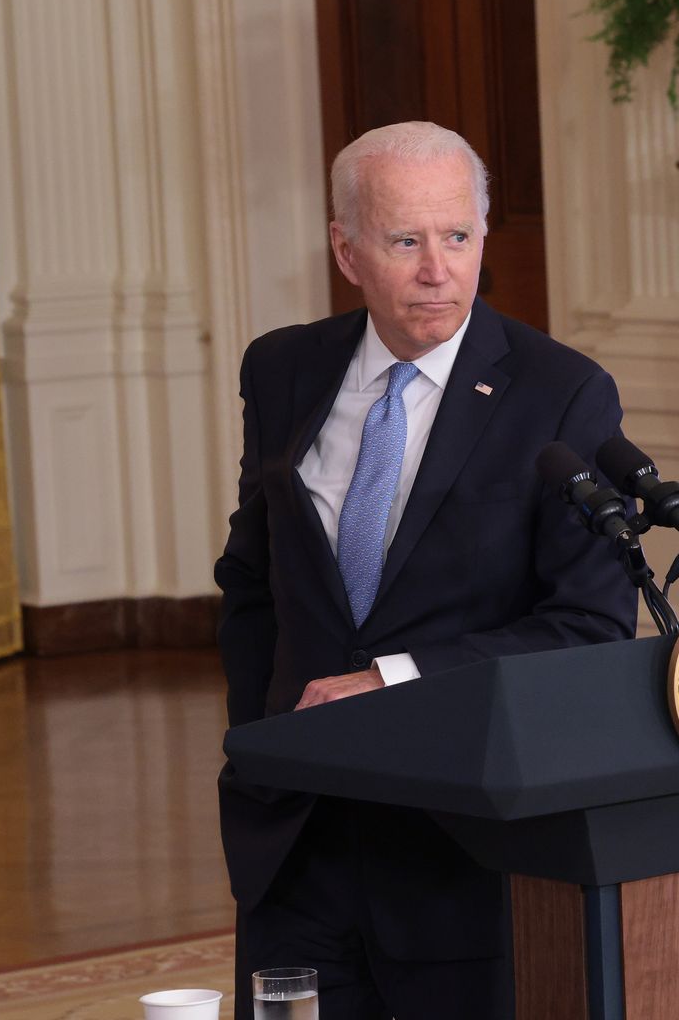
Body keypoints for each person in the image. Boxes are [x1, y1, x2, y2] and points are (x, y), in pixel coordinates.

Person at [213, 121, 634, 1018]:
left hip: (458, 847)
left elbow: (589, 628)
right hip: (297, 834)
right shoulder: (283, 369)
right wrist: (257, 741)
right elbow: (251, 582)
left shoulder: (562, 394)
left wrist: (390, 682)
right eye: (406, 241)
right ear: (347, 250)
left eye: (458, 237)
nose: (437, 270)